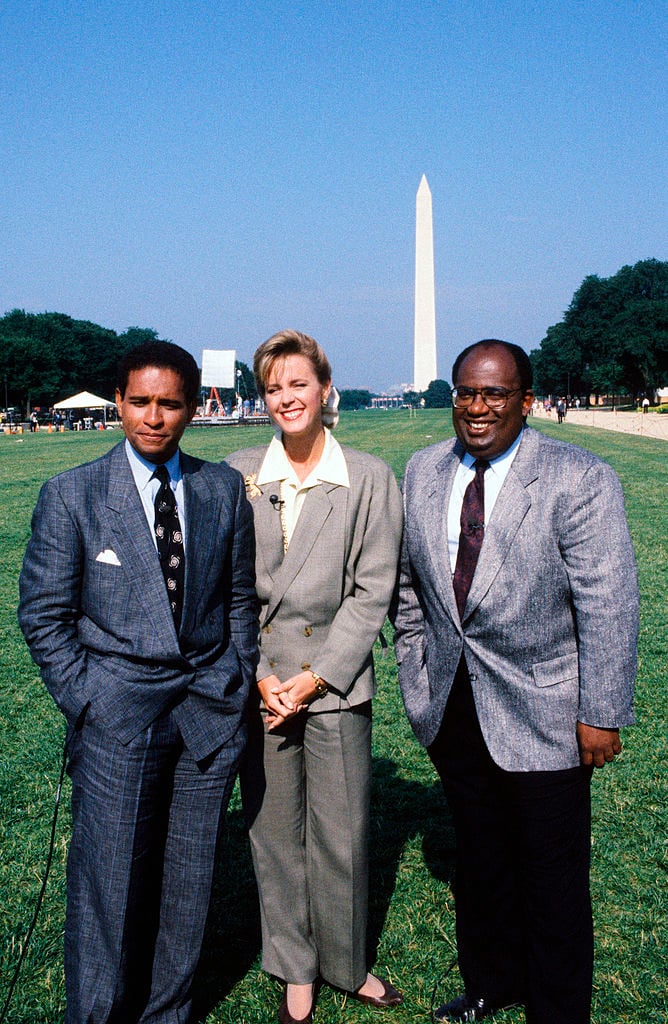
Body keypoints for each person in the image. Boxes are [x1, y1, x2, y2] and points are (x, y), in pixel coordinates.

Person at [393, 339, 638, 1024]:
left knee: (552, 879)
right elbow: (409, 587)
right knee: (481, 863)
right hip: (452, 704)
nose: (477, 407)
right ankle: (491, 982)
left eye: (495, 394)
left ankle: (557, 1009)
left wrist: (602, 711)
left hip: (548, 712)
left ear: (525, 401)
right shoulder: (422, 471)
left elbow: (609, 602)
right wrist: (416, 668)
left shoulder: (577, 477)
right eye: (466, 392)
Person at [18, 340, 259, 1024]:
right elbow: (43, 612)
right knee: (110, 887)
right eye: (142, 401)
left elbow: (238, 600)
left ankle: (168, 1012)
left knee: (188, 886)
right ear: (119, 402)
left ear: (192, 408)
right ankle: (97, 1013)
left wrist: (235, 678)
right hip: (118, 717)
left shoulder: (220, 490)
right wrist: (88, 699)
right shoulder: (73, 494)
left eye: (171, 403)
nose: (155, 417)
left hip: (208, 715)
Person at [226, 330, 404, 1024]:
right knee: (273, 834)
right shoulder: (238, 472)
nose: (287, 398)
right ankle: (295, 966)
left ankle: (345, 961)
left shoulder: (368, 477)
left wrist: (317, 678)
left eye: (298, 383)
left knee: (343, 834)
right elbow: (226, 590)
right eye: (273, 387)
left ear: (325, 388)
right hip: (263, 687)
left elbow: (373, 590)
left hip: (333, 687)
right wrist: (259, 676)